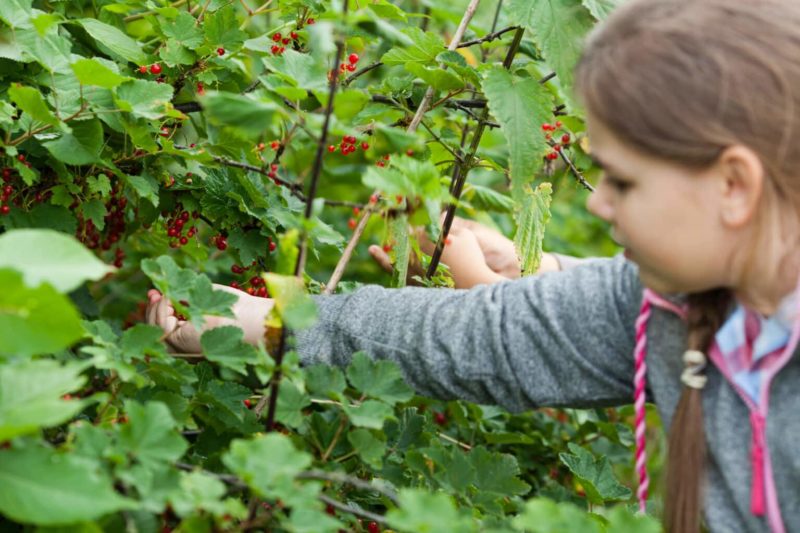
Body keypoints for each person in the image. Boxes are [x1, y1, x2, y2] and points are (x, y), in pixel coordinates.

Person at [146, 0, 800, 531]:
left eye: (623, 182)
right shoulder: (678, 300)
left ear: (734, 186)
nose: (598, 202)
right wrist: (269, 322)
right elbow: (478, 336)